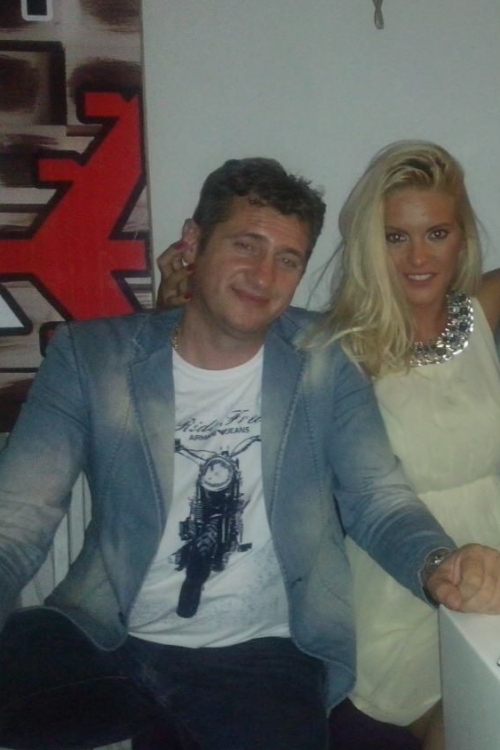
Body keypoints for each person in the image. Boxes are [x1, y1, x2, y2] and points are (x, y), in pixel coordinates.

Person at [1, 156, 500, 750]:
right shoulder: (94, 358)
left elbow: (376, 497)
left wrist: (437, 563)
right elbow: (18, 518)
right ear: (194, 242)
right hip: (108, 635)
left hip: (263, 656)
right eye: (246, 245)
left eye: (287, 259)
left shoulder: (323, 360)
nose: (263, 276)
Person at [156, 142, 500, 750]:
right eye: (395, 237)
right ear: (369, 243)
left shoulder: (480, 315)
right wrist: (171, 303)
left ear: (462, 236)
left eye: (437, 233)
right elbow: (214, 347)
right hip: (394, 590)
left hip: (489, 568)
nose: (419, 257)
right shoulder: (331, 346)